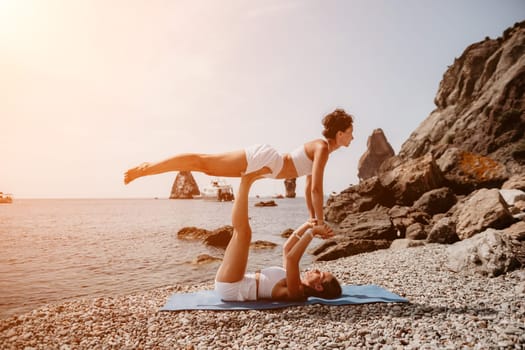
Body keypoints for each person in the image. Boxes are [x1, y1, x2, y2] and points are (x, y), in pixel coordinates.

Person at [124, 108, 354, 232]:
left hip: (268, 166)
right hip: (268, 161)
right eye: (350, 132)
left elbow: (307, 187)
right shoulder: (322, 147)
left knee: (207, 167)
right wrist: (321, 224)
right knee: (203, 162)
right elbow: (316, 189)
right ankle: (148, 168)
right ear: (340, 133)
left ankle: (149, 168)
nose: (353, 137)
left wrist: (313, 218)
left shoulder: (322, 149)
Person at [214, 173, 342, 301]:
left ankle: (246, 181)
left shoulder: (297, 291)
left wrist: (312, 233)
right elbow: (287, 249)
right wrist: (306, 226)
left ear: (318, 287)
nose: (316, 270)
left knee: (243, 233)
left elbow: (292, 259)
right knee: (241, 233)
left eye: (320, 274)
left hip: (233, 288)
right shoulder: (295, 280)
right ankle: (246, 181)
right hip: (235, 282)